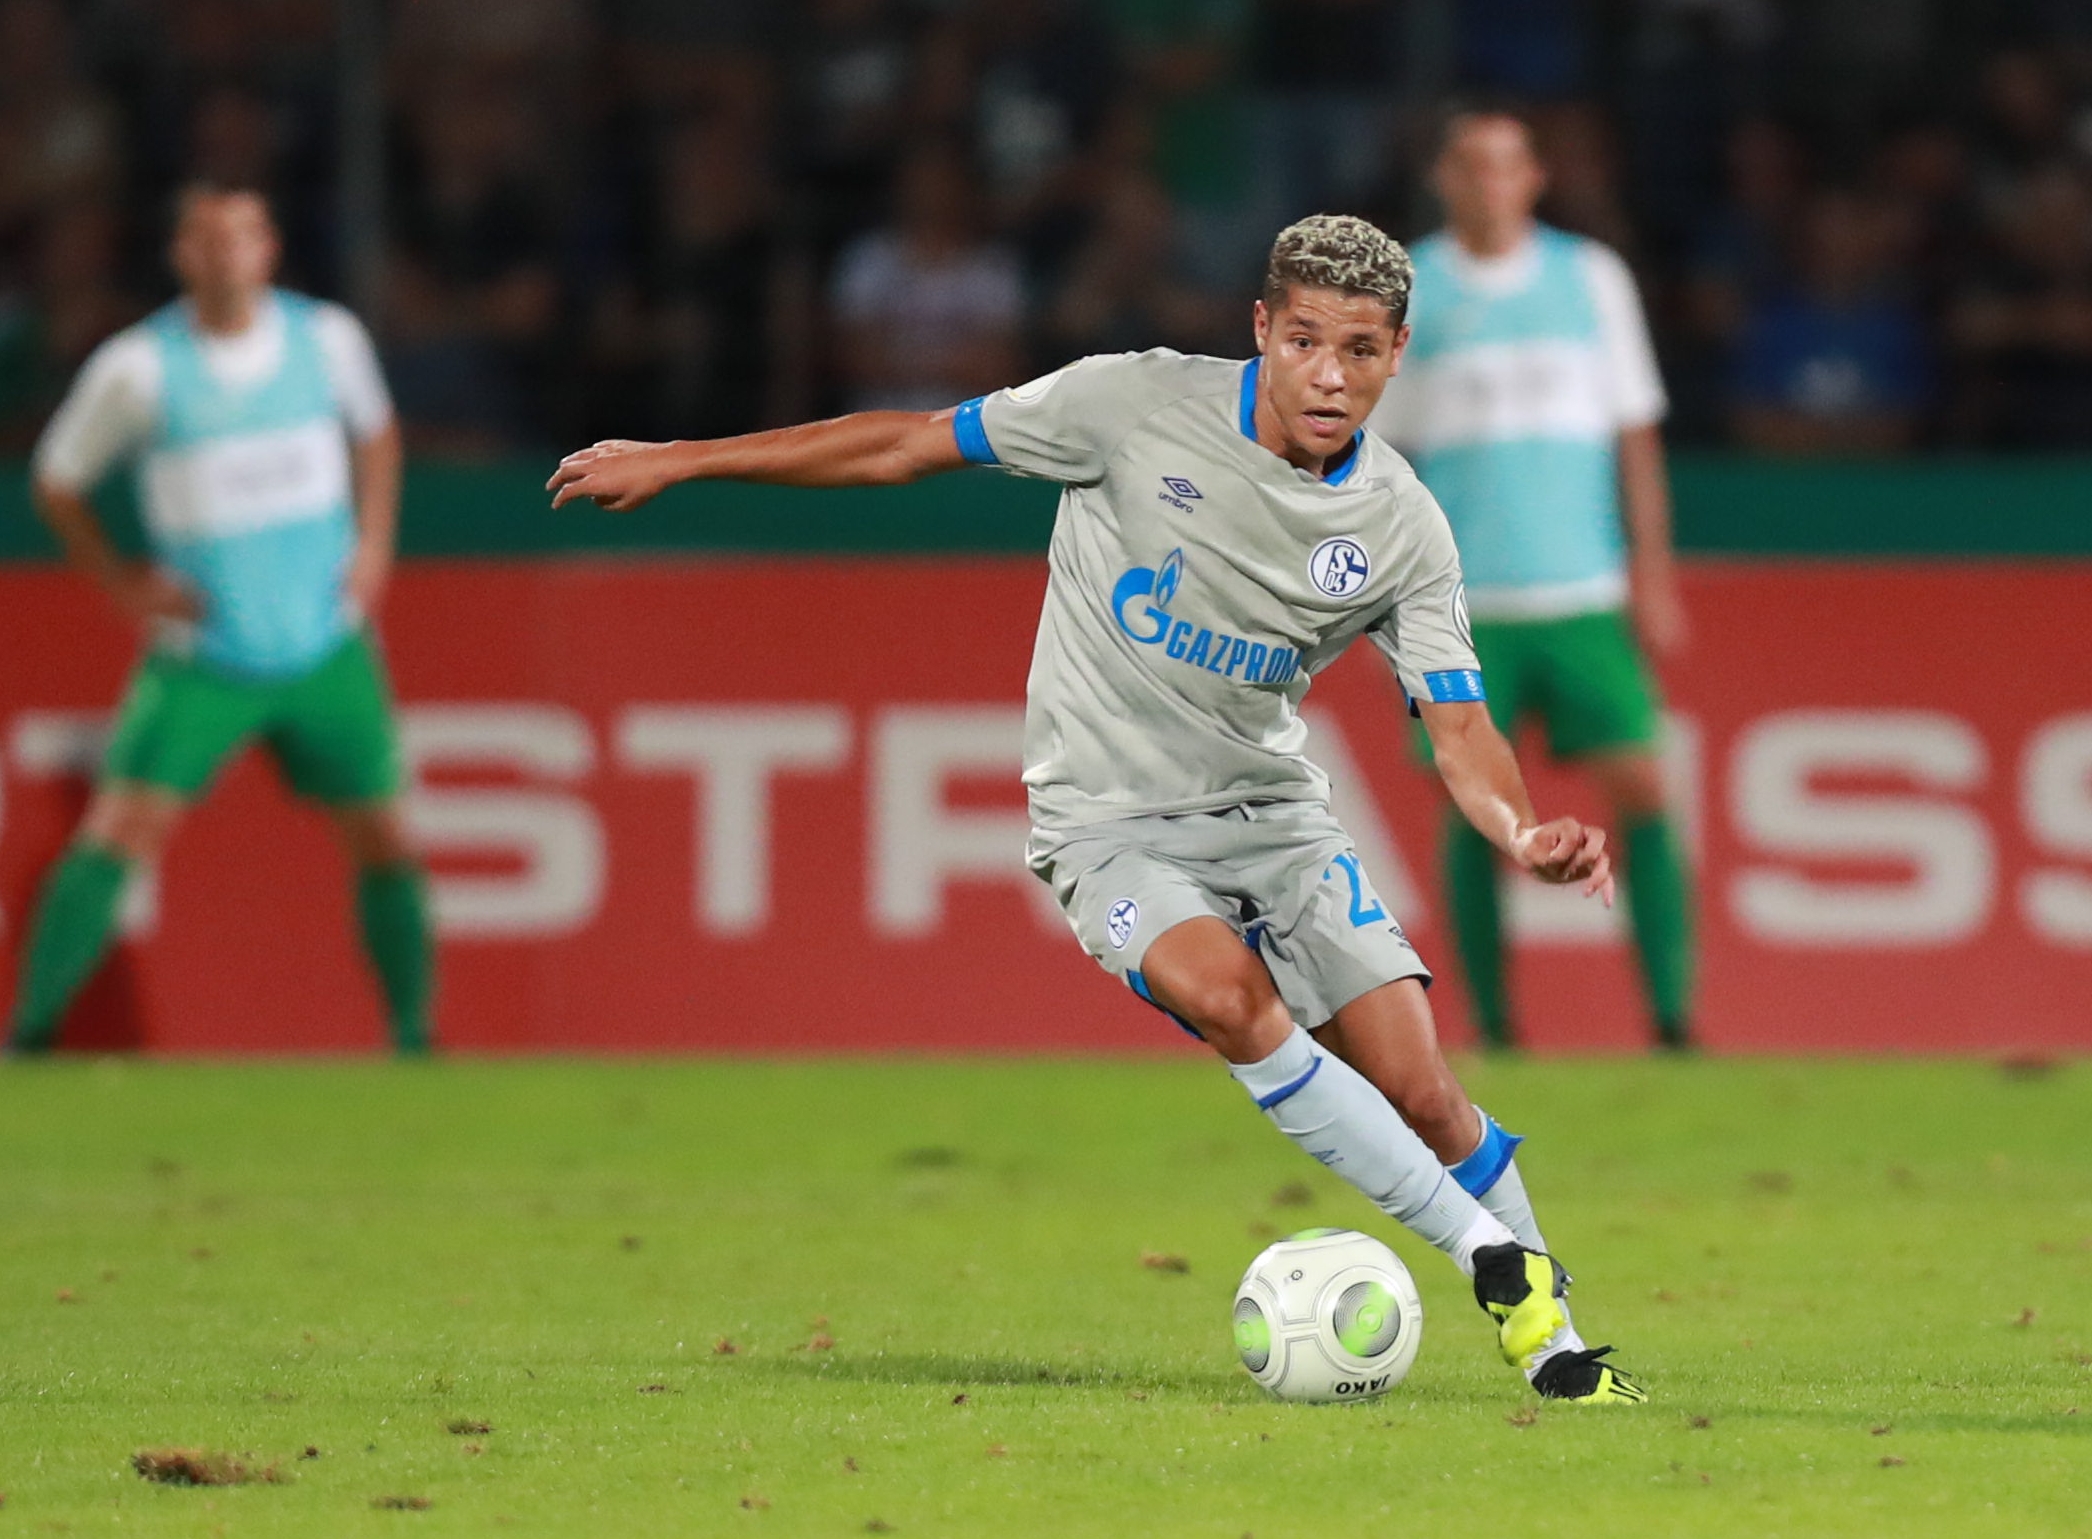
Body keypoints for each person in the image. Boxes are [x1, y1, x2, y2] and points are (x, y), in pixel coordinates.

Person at [548, 213, 1645, 1404]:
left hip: (1272, 814)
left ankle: (1557, 1351)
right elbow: (907, 445)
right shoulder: (1129, 406)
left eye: (1365, 350)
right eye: (1310, 341)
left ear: (1397, 356)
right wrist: (686, 457)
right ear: (1263, 330)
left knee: (1425, 1093)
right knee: (1228, 998)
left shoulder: (1400, 524)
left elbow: (1461, 725)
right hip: (1106, 820)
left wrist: (1520, 831)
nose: (1332, 376)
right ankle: (1489, 1251)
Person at [6, 186, 434, 1057]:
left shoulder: (326, 339)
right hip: (203, 649)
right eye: (208, 238)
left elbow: (378, 437)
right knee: (120, 826)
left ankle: (413, 1035)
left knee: (383, 832)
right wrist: (121, 581)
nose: (227, 253)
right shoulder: (142, 367)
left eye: (243, 235)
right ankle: (30, 1031)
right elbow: (56, 478)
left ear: (270, 248)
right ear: (182, 256)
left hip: (325, 637)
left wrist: (376, 544)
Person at [1371, 112, 1695, 1054]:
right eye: (1472, 165)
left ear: (1534, 179)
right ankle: (1496, 1027)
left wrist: (1654, 572)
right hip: (1460, 602)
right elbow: (1378, 453)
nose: (1490, 183)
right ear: (1444, 177)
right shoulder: (1411, 291)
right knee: (1474, 806)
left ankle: (1672, 1017)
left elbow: (1635, 434)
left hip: (1582, 589)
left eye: (1507, 166)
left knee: (1640, 783)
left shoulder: (1589, 278)